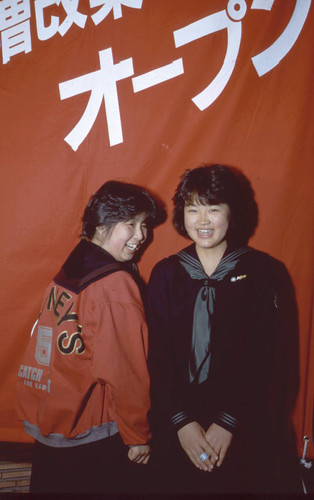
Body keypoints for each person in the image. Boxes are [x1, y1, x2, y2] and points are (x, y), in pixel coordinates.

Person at [147, 164, 302, 494]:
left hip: (242, 424)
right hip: (177, 424)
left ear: (232, 212)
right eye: (193, 209)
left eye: (213, 209)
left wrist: (228, 423)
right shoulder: (166, 274)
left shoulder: (263, 272)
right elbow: (157, 357)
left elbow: (268, 359)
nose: (202, 221)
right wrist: (182, 423)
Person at [15, 180, 160, 494]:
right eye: (130, 224)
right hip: (92, 436)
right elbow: (126, 371)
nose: (141, 236)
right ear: (101, 224)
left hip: (51, 429)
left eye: (144, 225)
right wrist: (138, 436)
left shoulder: (71, 267)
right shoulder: (114, 283)